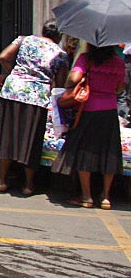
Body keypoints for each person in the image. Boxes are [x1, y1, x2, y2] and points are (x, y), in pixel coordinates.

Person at [0, 22, 69, 195]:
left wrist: (15, 74)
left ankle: (2, 181)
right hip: (37, 96)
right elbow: (60, 85)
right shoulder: (60, 54)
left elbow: (3, 57)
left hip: (13, 91)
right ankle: (28, 185)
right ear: (59, 36)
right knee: (31, 139)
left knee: (7, 136)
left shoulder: (24, 40)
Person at [53, 43, 126, 209]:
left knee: (84, 151)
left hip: (88, 110)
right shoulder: (118, 62)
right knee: (109, 152)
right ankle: (106, 197)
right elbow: (120, 87)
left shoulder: (86, 59)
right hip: (109, 112)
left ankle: (86, 196)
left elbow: (73, 79)